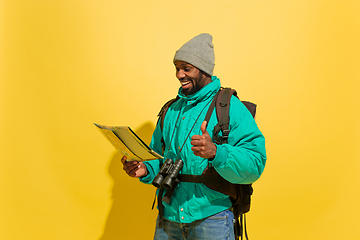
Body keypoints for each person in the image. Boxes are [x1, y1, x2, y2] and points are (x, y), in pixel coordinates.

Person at [121, 33, 266, 240]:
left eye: (186, 68)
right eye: (177, 68)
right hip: (168, 218)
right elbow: (158, 157)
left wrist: (216, 152)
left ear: (204, 69)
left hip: (212, 218)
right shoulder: (171, 110)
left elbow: (255, 163)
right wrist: (145, 169)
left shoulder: (230, 107)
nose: (179, 75)